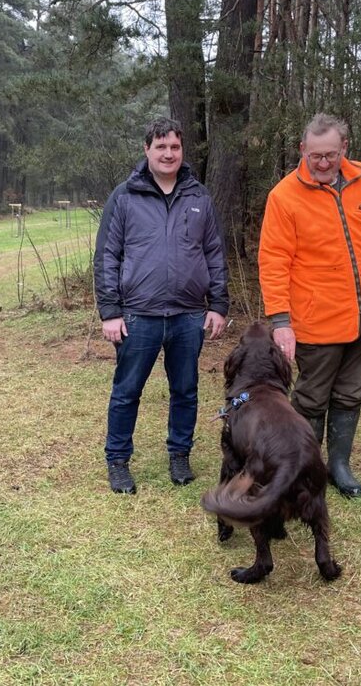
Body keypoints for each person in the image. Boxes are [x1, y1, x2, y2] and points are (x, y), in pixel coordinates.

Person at [258, 113, 361, 497]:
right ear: (302, 150)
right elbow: (273, 261)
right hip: (315, 319)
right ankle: (302, 469)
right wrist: (280, 320)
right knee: (310, 397)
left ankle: (339, 465)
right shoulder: (284, 196)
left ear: (344, 148)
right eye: (315, 155)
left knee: (352, 393)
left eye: (330, 155)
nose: (323, 163)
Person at [93, 117, 229, 494]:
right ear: (147, 150)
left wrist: (217, 304)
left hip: (188, 315)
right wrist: (111, 311)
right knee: (126, 391)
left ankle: (179, 454)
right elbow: (107, 256)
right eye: (161, 147)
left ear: (181, 151)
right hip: (138, 314)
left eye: (174, 147)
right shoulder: (124, 196)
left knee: (185, 389)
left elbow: (214, 253)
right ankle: (118, 460)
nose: (168, 153)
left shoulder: (199, 196)